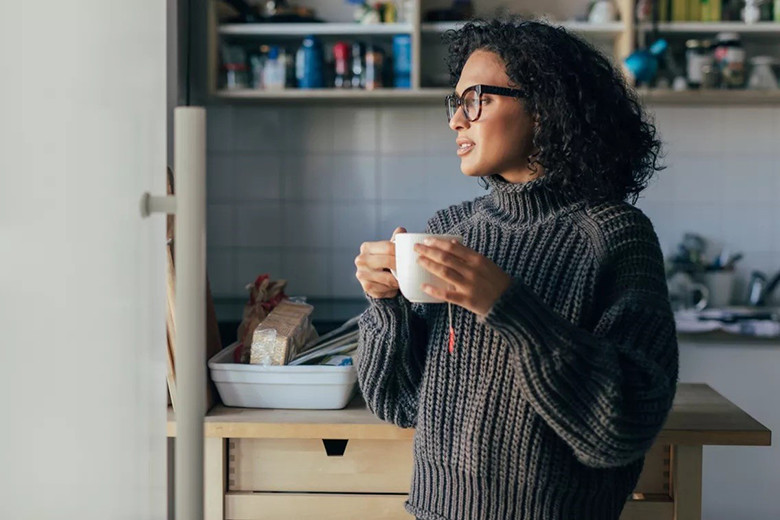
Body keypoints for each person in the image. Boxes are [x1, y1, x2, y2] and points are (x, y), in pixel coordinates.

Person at [353, 18, 678, 520]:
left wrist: (506, 305)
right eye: (455, 103)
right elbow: (399, 403)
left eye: (475, 99)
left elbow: (624, 425)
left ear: (546, 109)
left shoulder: (615, 236)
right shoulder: (451, 228)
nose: (456, 120)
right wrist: (385, 305)